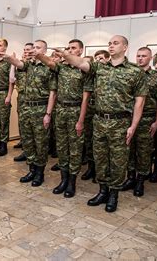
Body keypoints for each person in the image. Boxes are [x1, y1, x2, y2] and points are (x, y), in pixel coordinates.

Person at [57, 35, 147, 212]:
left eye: (115, 43)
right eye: (110, 43)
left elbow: (140, 102)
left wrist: (133, 126)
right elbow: (80, 63)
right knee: (100, 160)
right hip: (99, 121)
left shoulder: (135, 71)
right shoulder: (99, 67)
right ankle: (103, 191)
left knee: (118, 162)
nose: (111, 46)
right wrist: (66, 55)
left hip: (120, 122)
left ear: (125, 47)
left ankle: (114, 195)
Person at [36, 39, 90, 198]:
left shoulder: (85, 69)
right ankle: (63, 180)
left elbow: (86, 99)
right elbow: (49, 63)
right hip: (60, 110)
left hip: (75, 110)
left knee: (75, 149)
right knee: (62, 147)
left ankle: (72, 183)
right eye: (69, 48)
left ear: (80, 51)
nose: (71, 50)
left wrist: (80, 120)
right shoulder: (62, 68)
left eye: (74, 48)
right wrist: (39, 55)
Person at [3, 40, 55, 187]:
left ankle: (39, 173)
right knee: (28, 141)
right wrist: (8, 57)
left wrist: (48, 114)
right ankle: (31, 170)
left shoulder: (50, 67)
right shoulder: (29, 65)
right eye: (33, 47)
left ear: (44, 51)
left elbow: (53, 93)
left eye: (37, 48)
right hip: (26, 108)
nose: (34, 50)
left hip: (41, 109)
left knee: (41, 143)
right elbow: (19, 64)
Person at [122, 47, 157, 197]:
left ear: (150, 57)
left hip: (147, 119)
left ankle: (140, 181)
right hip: (129, 117)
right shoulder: (130, 73)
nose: (140, 58)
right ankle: (130, 178)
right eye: (138, 56)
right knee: (129, 150)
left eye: (144, 56)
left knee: (144, 151)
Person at [13, 44, 33, 162]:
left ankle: (31, 153)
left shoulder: (34, 66)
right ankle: (25, 150)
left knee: (33, 130)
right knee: (23, 125)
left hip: (33, 101)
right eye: (24, 50)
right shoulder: (22, 65)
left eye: (28, 50)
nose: (26, 52)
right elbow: (12, 79)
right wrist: (14, 64)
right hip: (22, 99)